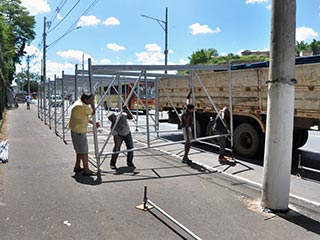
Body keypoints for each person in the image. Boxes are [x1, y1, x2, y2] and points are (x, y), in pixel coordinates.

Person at [68, 92, 100, 176]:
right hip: (79, 131)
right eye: (91, 100)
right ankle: (86, 170)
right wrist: (93, 104)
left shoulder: (79, 103)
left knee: (79, 150)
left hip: (76, 130)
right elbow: (93, 112)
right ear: (85, 99)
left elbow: (83, 117)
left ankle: (77, 166)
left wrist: (93, 123)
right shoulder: (82, 106)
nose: (92, 101)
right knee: (84, 151)